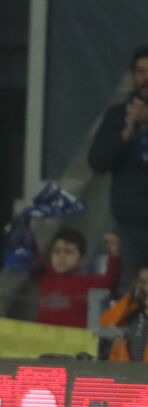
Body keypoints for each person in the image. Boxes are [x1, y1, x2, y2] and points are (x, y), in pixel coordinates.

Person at [88, 45, 148, 287]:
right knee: (124, 304)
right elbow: (97, 162)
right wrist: (126, 134)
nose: (146, 78)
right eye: (140, 72)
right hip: (129, 227)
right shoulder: (117, 115)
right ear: (133, 76)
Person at [33, 227, 120, 328]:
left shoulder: (87, 282)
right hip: (43, 340)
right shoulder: (45, 277)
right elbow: (31, 257)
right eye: (56, 251)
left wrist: (114, 253)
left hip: (75, 341)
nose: (61, 256)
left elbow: (110, 281)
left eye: (68, 252)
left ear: (81, 259)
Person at [100, 265, 148, 361]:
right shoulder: (129, 308)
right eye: (142, 282)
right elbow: (104, 325)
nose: (146, 287)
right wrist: (131, 299)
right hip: (124, 371)